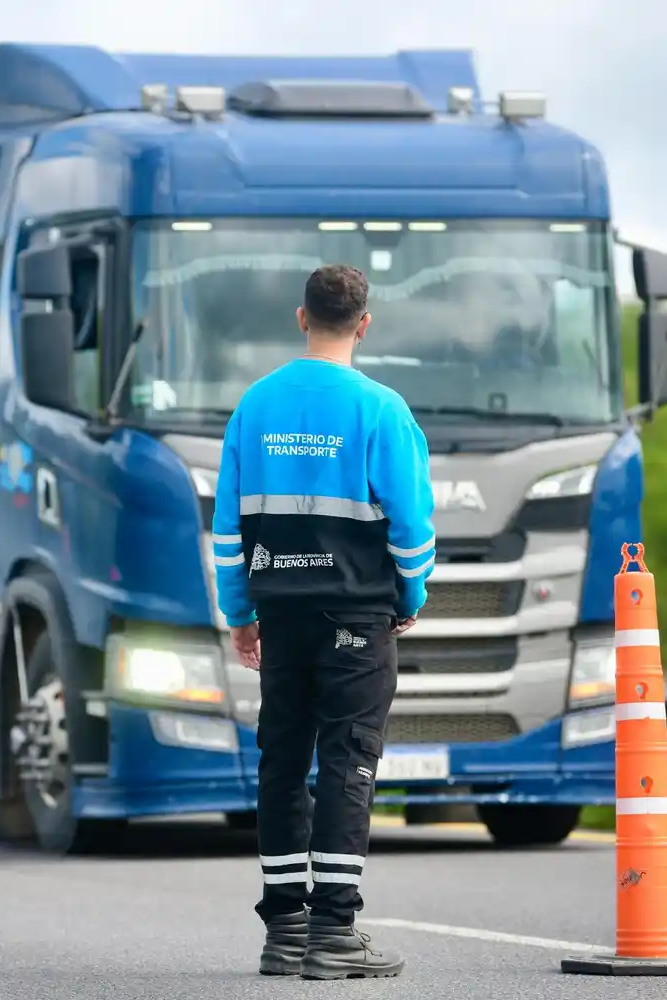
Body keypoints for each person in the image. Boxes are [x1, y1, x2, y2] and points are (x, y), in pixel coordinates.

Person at [209, 263, 437, 980]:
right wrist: (411, 596)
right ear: (363, 325)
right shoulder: (382, 410)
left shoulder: (255, 405)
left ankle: (284, 929)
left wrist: (239, 611)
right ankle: (335, 931)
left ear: (301, 318)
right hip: (356, 614)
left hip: (280, 612)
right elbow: (411, 526)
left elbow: (227, 526)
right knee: (348, 758)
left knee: (282, 759)